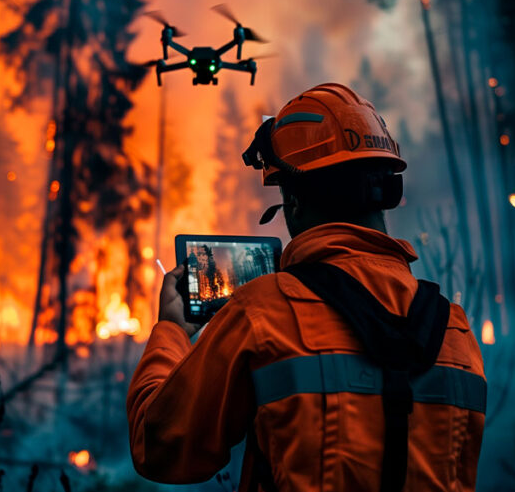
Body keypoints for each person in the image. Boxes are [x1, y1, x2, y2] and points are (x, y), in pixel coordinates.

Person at [126, 83, 486, 491]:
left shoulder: (262, 311)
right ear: (385, 191)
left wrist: (171, 331)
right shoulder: (457, 332)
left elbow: (160, 448)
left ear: (293, 201)